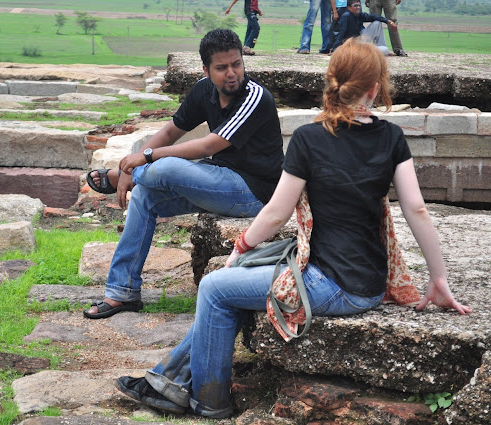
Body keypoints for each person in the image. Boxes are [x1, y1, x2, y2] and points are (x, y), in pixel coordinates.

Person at [114, 37, 471, 419]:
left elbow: (274, 214)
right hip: (370, 282)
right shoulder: (391, 137)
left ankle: (208, 401)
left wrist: (240, 248)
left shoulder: (309, 138)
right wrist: (438, 278)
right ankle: (169, 380)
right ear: (375, 88)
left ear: (331, 81)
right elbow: (416, 209)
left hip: (331, 284)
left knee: (216, 287)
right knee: (236, 287)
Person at [83, 28, 283, 320]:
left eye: (236, 64)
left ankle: (117, 176)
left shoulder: (255, 97)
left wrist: (140, 161)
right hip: (219, 181)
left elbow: (208, 144)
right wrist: (133, 166)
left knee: (163, 166)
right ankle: (122, 293)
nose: (232, 73)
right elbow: (169, 131)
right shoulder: (204, 90)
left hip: (254, 193)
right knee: (144, 195)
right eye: (222, 67)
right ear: (206, 69)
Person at [330, 1, 397, 54]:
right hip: (352, 43)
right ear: (348, 7)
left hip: (361, 39)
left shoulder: (359, 14)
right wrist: (335, 49)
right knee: (384, 50)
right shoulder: (346, 16)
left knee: (377, 22)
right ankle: (371, 51)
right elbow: (341, 33)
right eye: (355, 6)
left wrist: (389, 22)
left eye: (359, 5)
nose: (358, 7)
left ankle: (380, 47)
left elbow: (373, 16)